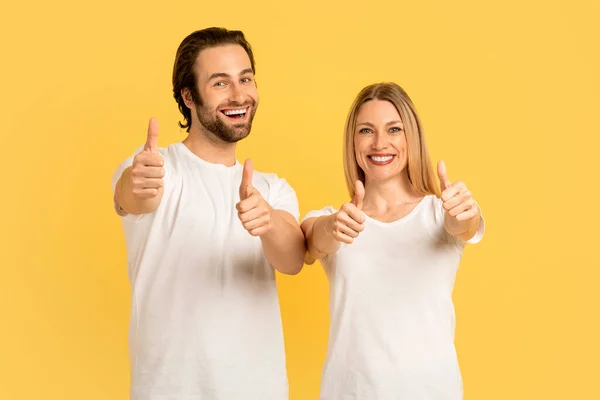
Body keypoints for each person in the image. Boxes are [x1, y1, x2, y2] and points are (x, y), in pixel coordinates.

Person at [111, 27, 305, 400]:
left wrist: (267, 223)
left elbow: (293, 258)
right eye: (220, 83)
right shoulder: (156, 167)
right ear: (188, 96)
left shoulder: (271, 188)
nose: (239, 95)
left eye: (245, 78)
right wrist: (133, 185)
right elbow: (132, 197)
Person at [301, 82, 485, 400]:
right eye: (366, 131)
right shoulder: (336, 219)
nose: (380, 143)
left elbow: (467, 225)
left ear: (410, 137)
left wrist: (461, 214)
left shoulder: (441, 212)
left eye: (394, 129)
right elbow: (310, 240)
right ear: (353, 142)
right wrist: (331, 229)